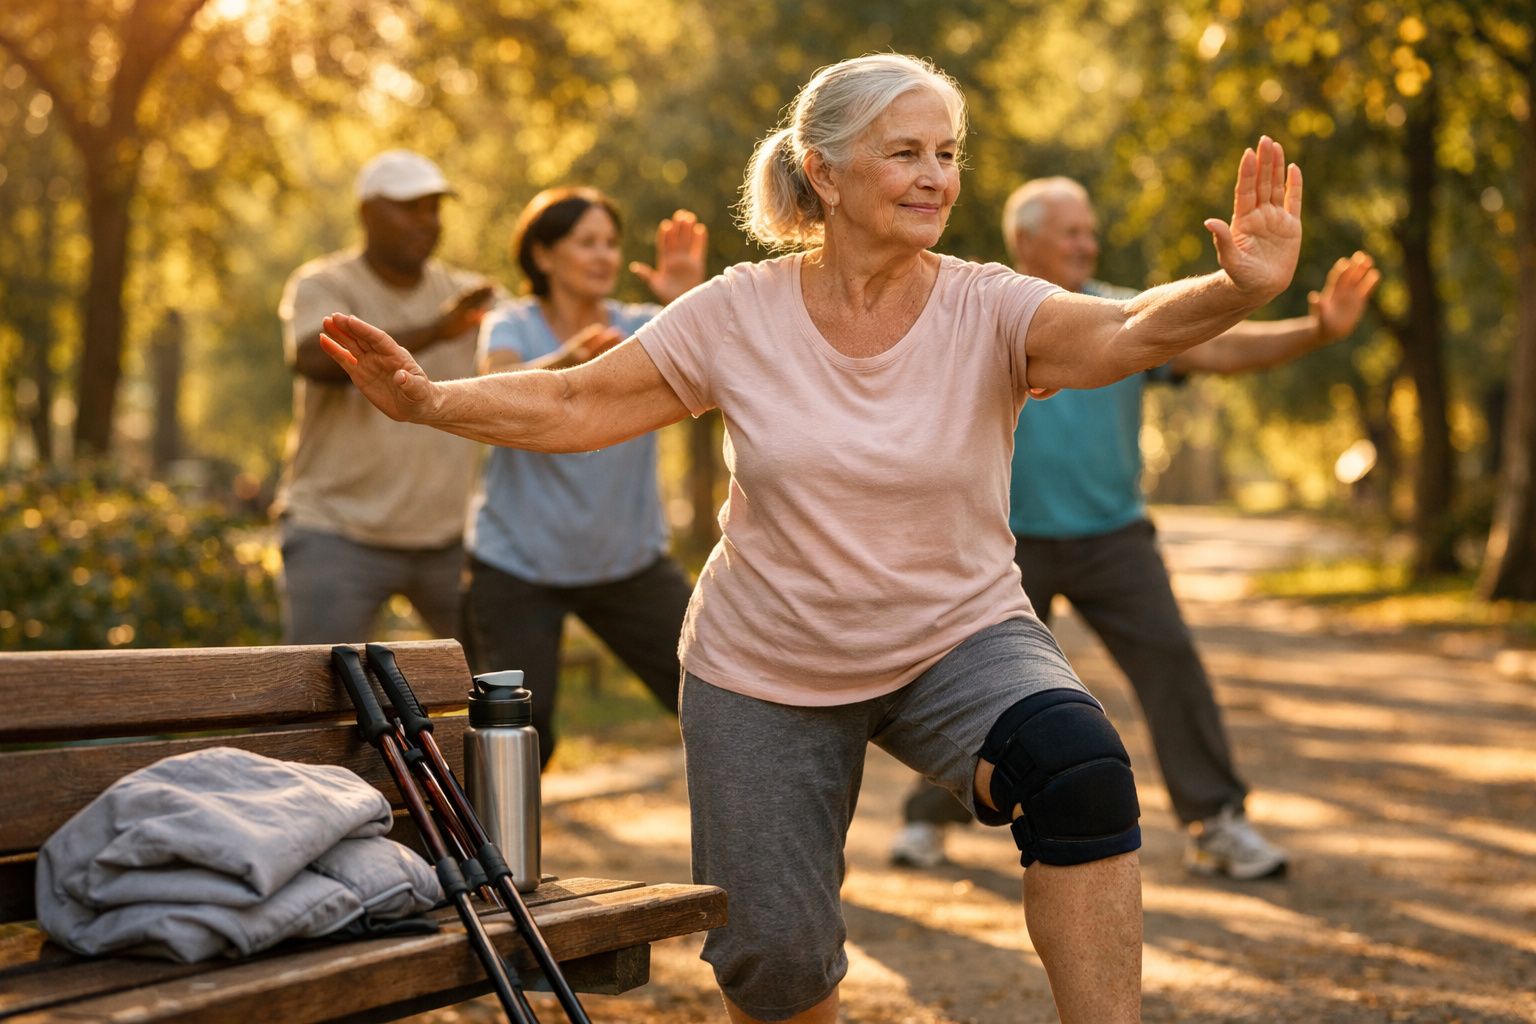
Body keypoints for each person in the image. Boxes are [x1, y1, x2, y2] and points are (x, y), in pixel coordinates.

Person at [319, 53, 1305, 1024]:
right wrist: (432, 399)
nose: (935, 176)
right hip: (766, 662)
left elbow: (1126, 328)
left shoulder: (989, 303)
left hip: (956, 632)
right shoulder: (738, 312)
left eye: (947, 153)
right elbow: (577, 401)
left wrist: (1234, 289)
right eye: (905, 152)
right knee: (777, 960)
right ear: (824, 172)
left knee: (1079, 769)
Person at [889, 177, 1379, 881]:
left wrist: (1318, 330)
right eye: (1071, 232)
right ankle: (926, 820)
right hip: (1003, 543)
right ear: (1025, 242)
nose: (1088, 243)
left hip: (1113, 538)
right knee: (973, 683)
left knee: (1171, 664)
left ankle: (1218, 822)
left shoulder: (1127, 310)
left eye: (1090, 230)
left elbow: (1222, 349)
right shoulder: (982, 311)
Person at [463, 187, 708, 767]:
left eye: (611, 244)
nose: (604, 256)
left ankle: (780, 854)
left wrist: (687, 303)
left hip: (629, 566)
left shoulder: (645, 327)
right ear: (544, 256)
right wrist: (566, 367)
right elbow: (491, 392)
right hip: (516, 565)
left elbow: (721, 360)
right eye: (586, 243)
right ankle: (490, 859)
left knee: (715, 698)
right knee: (521, 736)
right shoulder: (512, 325)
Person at [272, 150, 494, 644]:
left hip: (446, 540)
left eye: (434, 207)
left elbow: (515, 374)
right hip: (337, 533)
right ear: (368, 213)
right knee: (315, 692)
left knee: (495, 689)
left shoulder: (467, 295)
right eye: (409, 207)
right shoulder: (326, 283)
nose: (427, 221)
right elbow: (311, 357)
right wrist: (436, 329)